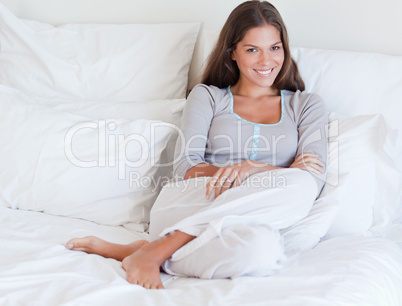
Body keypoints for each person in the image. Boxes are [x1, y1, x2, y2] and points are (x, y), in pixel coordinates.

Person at [66, 0, 327, 290]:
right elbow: (186, 165)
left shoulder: (305, 105)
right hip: (195, 199)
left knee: (265, 247)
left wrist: (252, 169)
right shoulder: (208, 97)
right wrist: (260, 172)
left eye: (274, 48)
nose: (266, 61)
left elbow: (313, 177)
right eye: (253, 49)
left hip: (257, 218)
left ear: (284, 48)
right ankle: (156, 248)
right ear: (233, 53)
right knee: (295, 181)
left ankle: (149, 250)